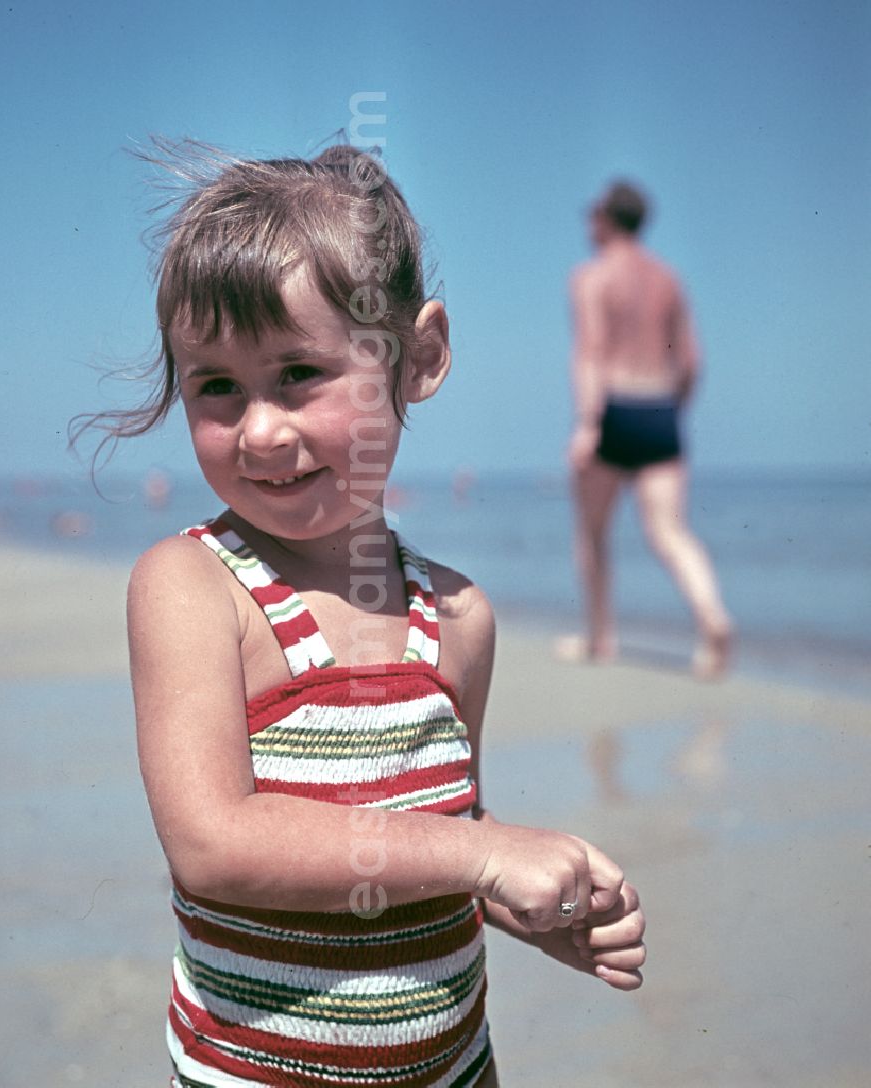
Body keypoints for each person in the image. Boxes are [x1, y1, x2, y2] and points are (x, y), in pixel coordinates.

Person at [74, 141, 646, 1087]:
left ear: (417, 357)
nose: (259, 429)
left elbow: (443, 827)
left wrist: (530, 903)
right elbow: (213, 842)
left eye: (298, 372)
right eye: (215, 385)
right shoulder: (193, 587)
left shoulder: (458, 619)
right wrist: (484, 853)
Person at [563, 180, 733, 678]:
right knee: (670, 532)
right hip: (660, 410)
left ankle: (600, 638)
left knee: (593, 533)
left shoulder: (591, 277)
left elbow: (590, 351)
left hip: (614, 407)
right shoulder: (669, 278)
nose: (588, 225)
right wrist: (672, 411)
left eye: (592, 215)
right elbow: (693, 361)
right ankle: (712, 617)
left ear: (607, 219)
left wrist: (588, 425)